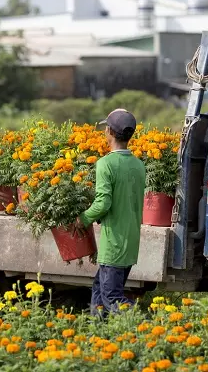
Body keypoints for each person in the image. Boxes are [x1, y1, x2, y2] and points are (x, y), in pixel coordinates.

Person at [75, 109, 146, 316]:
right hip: (130, 242)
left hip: (113, 243)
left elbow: (103, 204)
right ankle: (98, 335)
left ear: (109, 132)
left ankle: (149, 323)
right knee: (99, 288)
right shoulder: (138, 165)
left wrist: (84, 218)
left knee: (112, 297)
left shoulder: (105, 164)